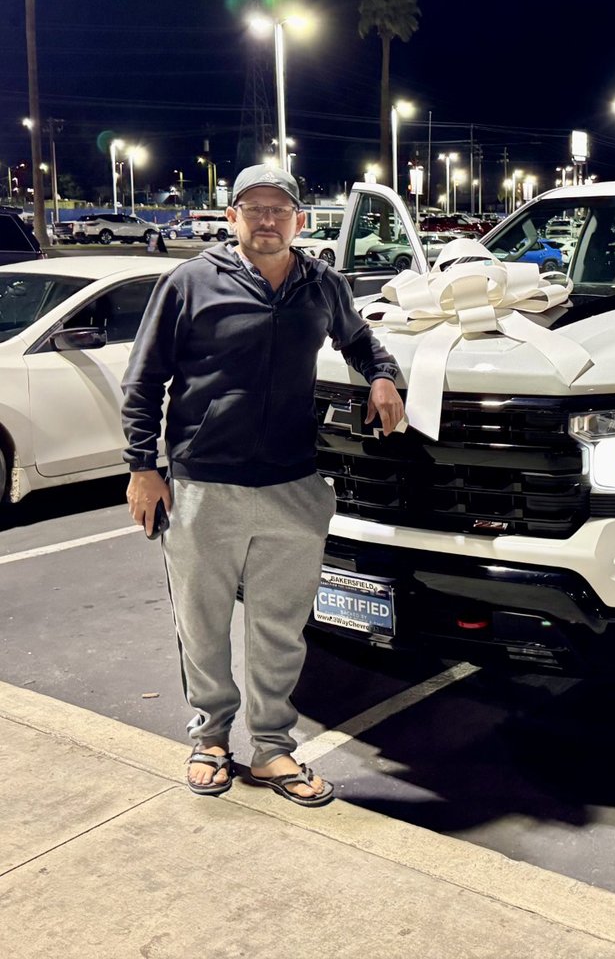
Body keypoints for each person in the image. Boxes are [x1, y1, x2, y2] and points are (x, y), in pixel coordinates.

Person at [123, 164, 405, 805]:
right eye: (254, 209)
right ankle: (211, 740)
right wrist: (143, 466)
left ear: (300, 221)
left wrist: (383, 377)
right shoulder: (189, 282)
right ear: (233, 219)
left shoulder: (321, 285)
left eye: (281, 210)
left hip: (291, 485)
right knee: (203, 624)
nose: (268, 220)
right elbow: (143, 381)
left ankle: (274, 750)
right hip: (202, 487)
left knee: (280, 628)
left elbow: (363, 343)